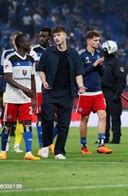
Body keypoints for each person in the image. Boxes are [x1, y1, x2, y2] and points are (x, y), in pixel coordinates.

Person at [38, 26, 85, 160]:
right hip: (50, 91)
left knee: (64, 124)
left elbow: (79, 73)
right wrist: (44, 80)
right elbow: (41, 69)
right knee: (47, 119)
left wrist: (81, 86)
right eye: (55, 36)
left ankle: (59, 151)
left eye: (59, 35)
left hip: (67, 93)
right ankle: (46, 146)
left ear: (65, 36)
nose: (56, 38)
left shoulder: (73, 54)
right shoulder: (48, 53)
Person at [0, 33, 40, 161]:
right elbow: (8, 78)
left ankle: (28, 152)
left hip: (26, 99)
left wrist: (34, 97)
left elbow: (32, 78)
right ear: (21, 44)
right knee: (8, 125)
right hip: (11, 98)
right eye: (27, 42)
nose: (29, 44)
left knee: (27, 123)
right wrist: (24, 89)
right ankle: (3, 151)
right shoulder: (9, 58)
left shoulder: (31, 59)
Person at [77, 31, 112, 154]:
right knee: (84, 119)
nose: (98, 42)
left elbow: (101, 72)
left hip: (97, 92)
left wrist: (100, 65)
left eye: (98, 40)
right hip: (85, 92)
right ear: (88, 41)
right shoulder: (80, 54)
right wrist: (94, 64)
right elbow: (79, 72)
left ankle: (101, 144)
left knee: (103, 115)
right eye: (95, 40)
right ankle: (83, 146)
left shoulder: (98, 54)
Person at [29, 27, 54, 153]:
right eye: (40, 36)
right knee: (41, 118)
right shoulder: (35, 50)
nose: (41, 39)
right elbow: (37, 66)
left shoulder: (55, 49)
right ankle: (42, 145)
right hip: (39, 88)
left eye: (44, 36)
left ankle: (49, 142)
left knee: (56, 119)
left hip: (54, 89)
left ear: (50, 37)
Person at [0, 31, 24, 153]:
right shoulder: (7, 53)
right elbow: (3, 72)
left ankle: (17, 145)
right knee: (8, 120)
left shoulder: (26, 54)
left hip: (23, 93)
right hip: (9, 91)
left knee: (22, 121)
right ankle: (6, 143)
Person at [101, 40, 127, 144]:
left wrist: (117, 93)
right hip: (102, 92)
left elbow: (121, 80)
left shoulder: (116, 63)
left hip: (112, 92)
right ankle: (104, 137)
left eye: (105, 49)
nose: (103, 51)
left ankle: (116, 138)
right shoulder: (102, 61)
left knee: (115, 117)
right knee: (103, 116)